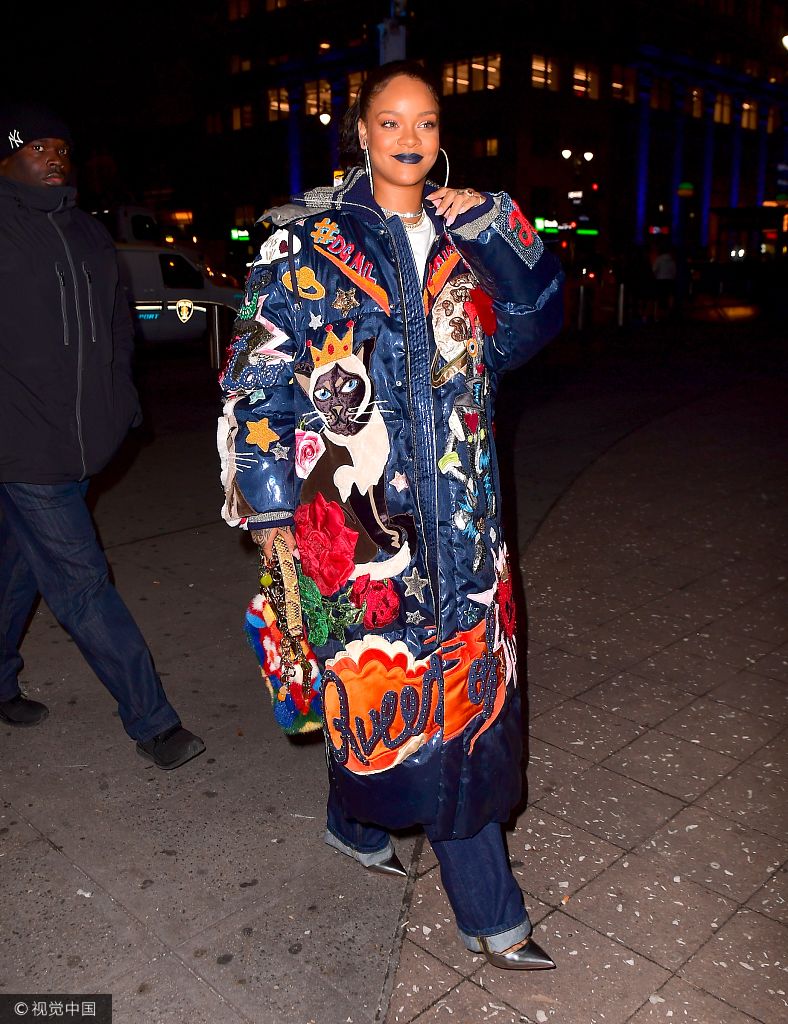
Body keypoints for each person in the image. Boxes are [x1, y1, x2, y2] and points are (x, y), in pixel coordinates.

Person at [218, 62, 564, 969]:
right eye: (390, 121)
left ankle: (359, 824)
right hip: (360, 531)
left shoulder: (464, 240)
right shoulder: (305, 247)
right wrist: (269, 512)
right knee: (389, 698)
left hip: (468, 526)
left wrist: (498, 231)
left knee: (455, 712)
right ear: (361, 133)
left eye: (426, 120)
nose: (409, 137)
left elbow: (530, 327)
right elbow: (256, 383)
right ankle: (493, 913)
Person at [0, 102, 205, 771]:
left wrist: (124, 401)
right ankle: (153, 721)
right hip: (23, 444)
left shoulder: (89, 233)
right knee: (81, 579)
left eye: (62, 147)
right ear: (6, 157)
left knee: (20, 568)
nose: (55, 156)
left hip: (86, 441)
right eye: (38, 146)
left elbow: (120, 326)